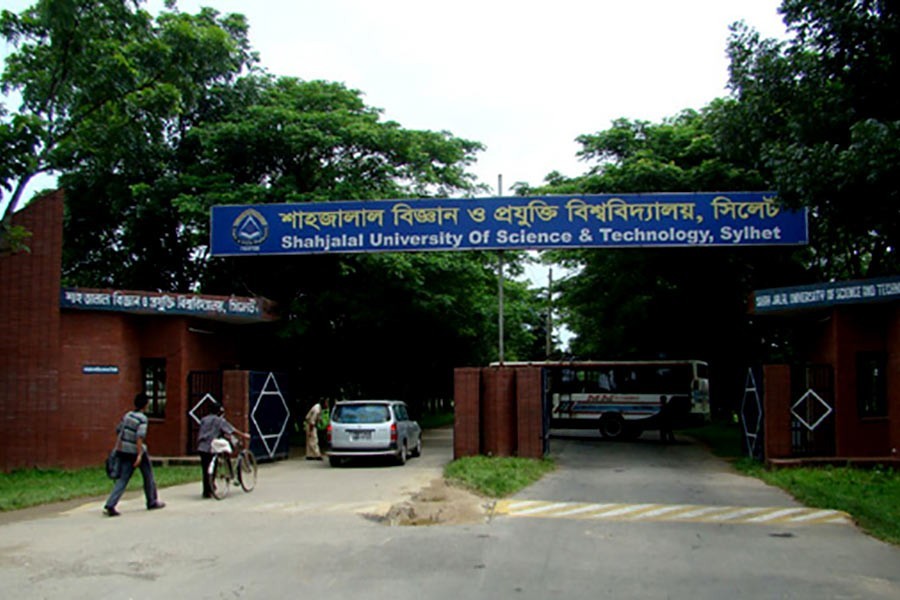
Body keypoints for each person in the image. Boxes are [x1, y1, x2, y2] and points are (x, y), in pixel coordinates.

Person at [103, 393, 166, 516]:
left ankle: (111, 504)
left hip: (125, 451)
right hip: (137, 451)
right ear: (145, 405)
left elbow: (118, 430)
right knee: (148, 476)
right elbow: (139, 437)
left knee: (123, 479)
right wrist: (139, 455)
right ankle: (152, 501)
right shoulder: (142, 419)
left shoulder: (127, 415)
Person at [197, 403, 251, 498]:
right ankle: (213, 485)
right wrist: (244, 435)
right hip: (212, 446)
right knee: (215, 465)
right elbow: (231, 430)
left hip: (201, 446)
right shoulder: (219, 420)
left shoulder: (204, 420)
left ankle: (206, 491)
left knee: (205, 469)